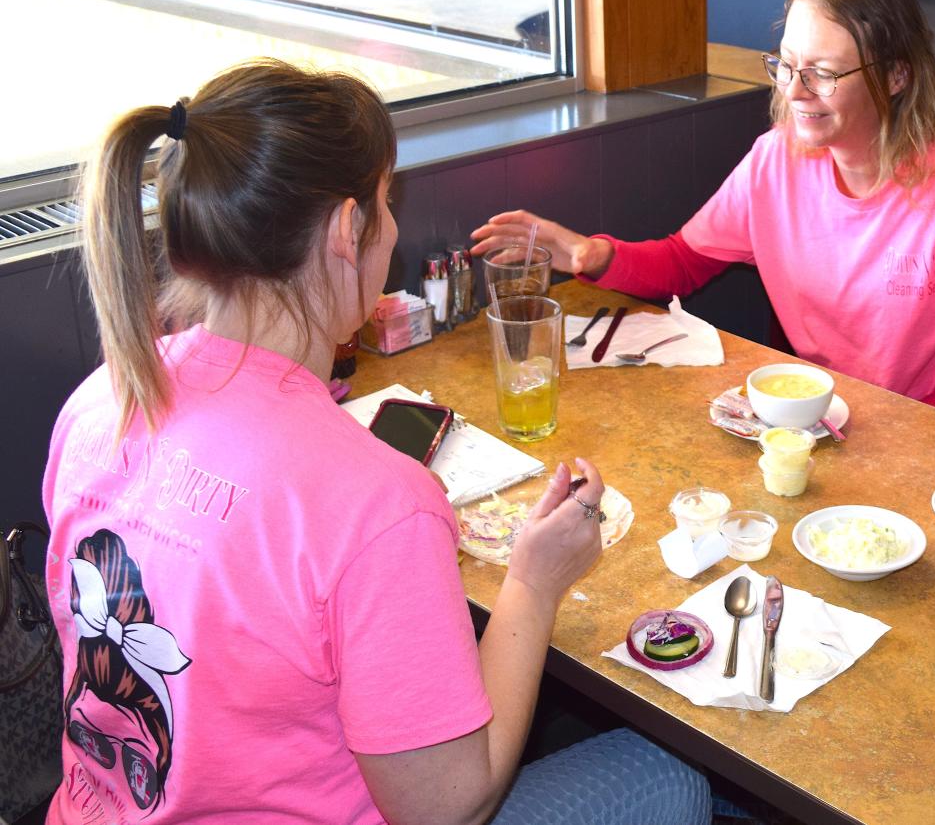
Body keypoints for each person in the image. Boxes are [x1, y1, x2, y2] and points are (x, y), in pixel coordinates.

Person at [42, 59, 710, 824]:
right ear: (345, 230)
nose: (391, 228)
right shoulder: (376, 501)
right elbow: (448, 806)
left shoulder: (100, 400)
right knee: (670, 778)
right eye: (388, 203)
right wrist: (534, 581)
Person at [471, 0, 935, 434]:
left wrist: (891, 431)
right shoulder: (776, 158)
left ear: (897, 76)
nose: (796, 91)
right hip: (815, 430)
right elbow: (683, 263)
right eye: (787, 65)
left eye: (823, 73)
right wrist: (587, 256)